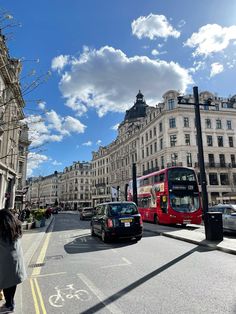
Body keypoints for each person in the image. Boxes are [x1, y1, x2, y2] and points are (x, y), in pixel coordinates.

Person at [0, 210, 27, 313]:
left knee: (7, 284)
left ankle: (9, 306)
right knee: (11, 285)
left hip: (6, 263)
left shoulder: (2, 232)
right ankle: (10, 303)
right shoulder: (16, 227)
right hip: (16, 262)